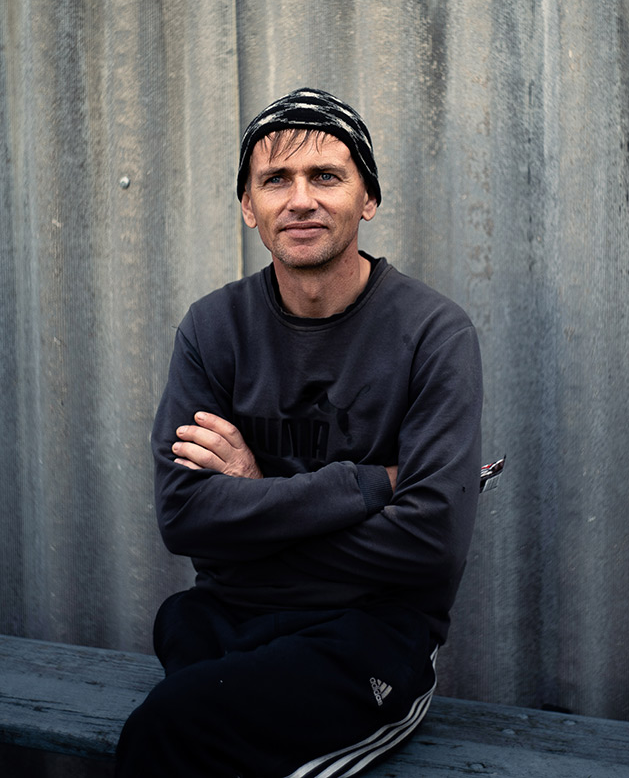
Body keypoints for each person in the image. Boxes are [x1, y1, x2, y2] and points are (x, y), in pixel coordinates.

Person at [116, 88, 483, 778]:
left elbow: (430, 545)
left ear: (368, 199)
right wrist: (367, 485)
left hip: (367, 633)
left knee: (165, 732)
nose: (301, 199)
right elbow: (183, 517)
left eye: (327, 176)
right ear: (248, 205)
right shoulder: (212, 328)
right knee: (186, 653)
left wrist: (250, 503)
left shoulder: (433, 334)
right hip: (227, 613)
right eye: (276, 179)